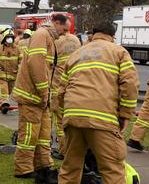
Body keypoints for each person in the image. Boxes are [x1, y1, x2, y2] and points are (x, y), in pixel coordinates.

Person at [55, 21, 139, 184]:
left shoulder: (77, 54)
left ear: (93, 35)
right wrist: (125, 115)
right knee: (112, 169)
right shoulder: (119, 52)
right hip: (102, 119)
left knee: (70, 167)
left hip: (73, 117)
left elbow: (61, 91)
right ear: (112, 36)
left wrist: (67, 113)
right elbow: (130, 86)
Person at [13, 14, 70, 181]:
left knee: (44, 134)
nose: (64, 34)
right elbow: (36, 65)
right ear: (56, 23)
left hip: (40, 98)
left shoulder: (48, 37)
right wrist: (44, 92)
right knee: (29, 134)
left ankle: (43, 165)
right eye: (64, 29)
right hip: (32, 96)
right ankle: (23, 169)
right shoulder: (41, 35)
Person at [51, 32, 81, 159]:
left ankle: (63, 150)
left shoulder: (55, 41)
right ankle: (73, 149)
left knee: (59, 119)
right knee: (72, 120)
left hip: (58, 85)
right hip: (75, 86)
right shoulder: (76, 40)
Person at [0, 30, 22, 114]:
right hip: (2, 75)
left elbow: (21, 61)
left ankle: (6, 102)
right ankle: (4, 105)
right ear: (5, 39)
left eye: (11, 38)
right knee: (4, 90)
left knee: (10, 92)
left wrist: (19, 70)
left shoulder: (17, 49)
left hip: (13, 75)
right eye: (8, 37)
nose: (10, 39)